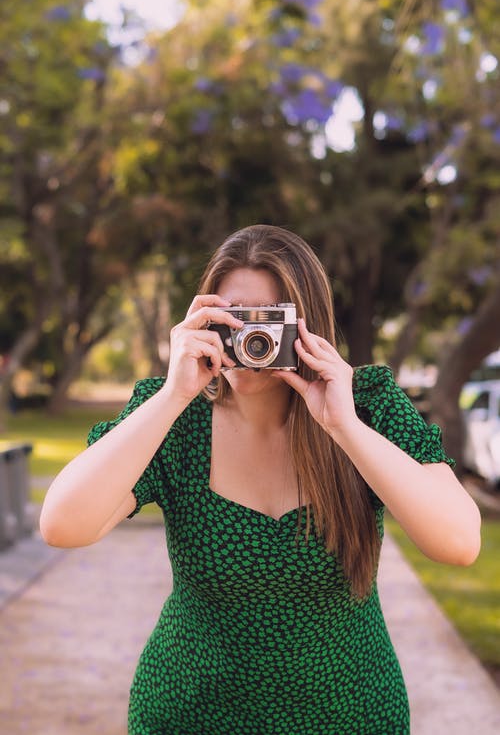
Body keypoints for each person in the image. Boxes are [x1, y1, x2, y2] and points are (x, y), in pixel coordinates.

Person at [40, 224, 481, 735]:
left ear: (306, 325)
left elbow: (458, 542)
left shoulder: (367, 407)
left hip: (350, 717)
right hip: (188, 716)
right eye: (231, 320)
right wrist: (172, 395)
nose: (250, 339)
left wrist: (343, 426)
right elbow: (62, 525)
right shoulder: (175, 420)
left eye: (269, 321)